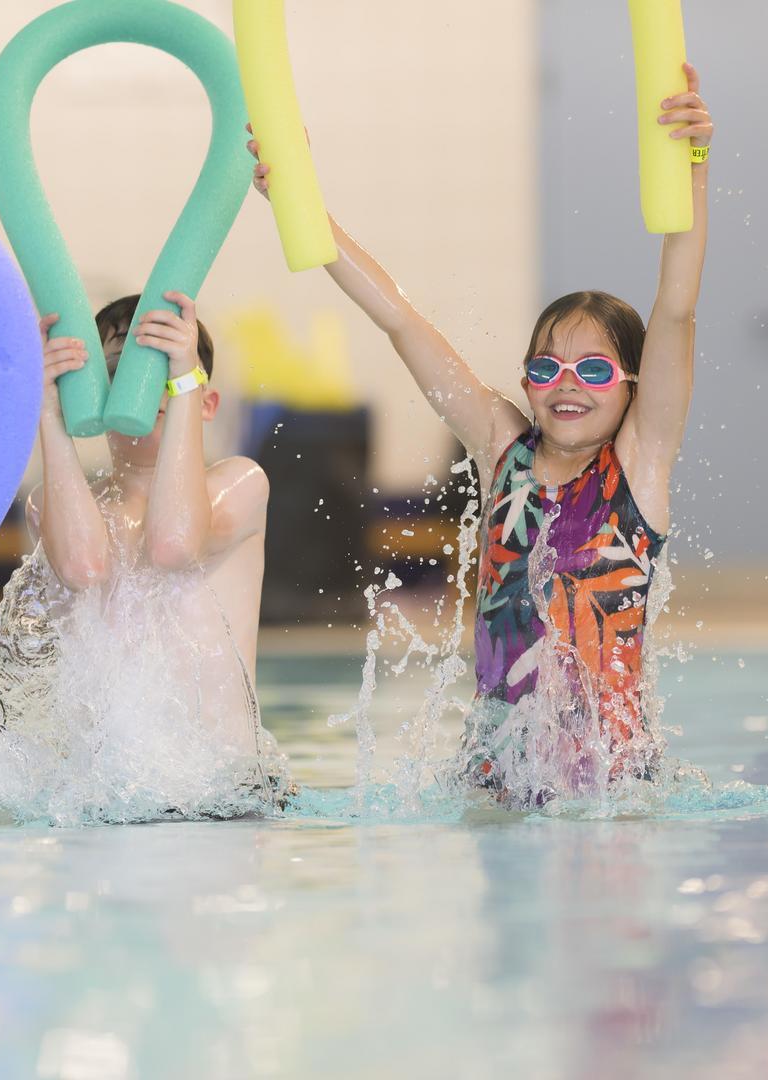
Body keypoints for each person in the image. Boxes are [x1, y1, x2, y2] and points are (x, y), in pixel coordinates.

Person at [248, 64, 714, 801]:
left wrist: (690, 163)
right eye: (546, 367)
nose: (566, 384)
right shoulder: (506, 451)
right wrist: (305, 206)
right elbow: (400, 318)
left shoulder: (638, 467)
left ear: (633, 389)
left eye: (593, 371)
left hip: (612, 788)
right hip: (495, 777)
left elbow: (678, 308)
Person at [0, 292, 287, 817]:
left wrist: (186, 380)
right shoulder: (56, 505)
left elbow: (174, 544)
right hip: (106, 799)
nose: (143, 387)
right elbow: (84, 567)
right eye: (120, 372)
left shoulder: (241, 483)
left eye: (161, 373)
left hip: (227, 796)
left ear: (206, 401)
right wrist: (48, 416)